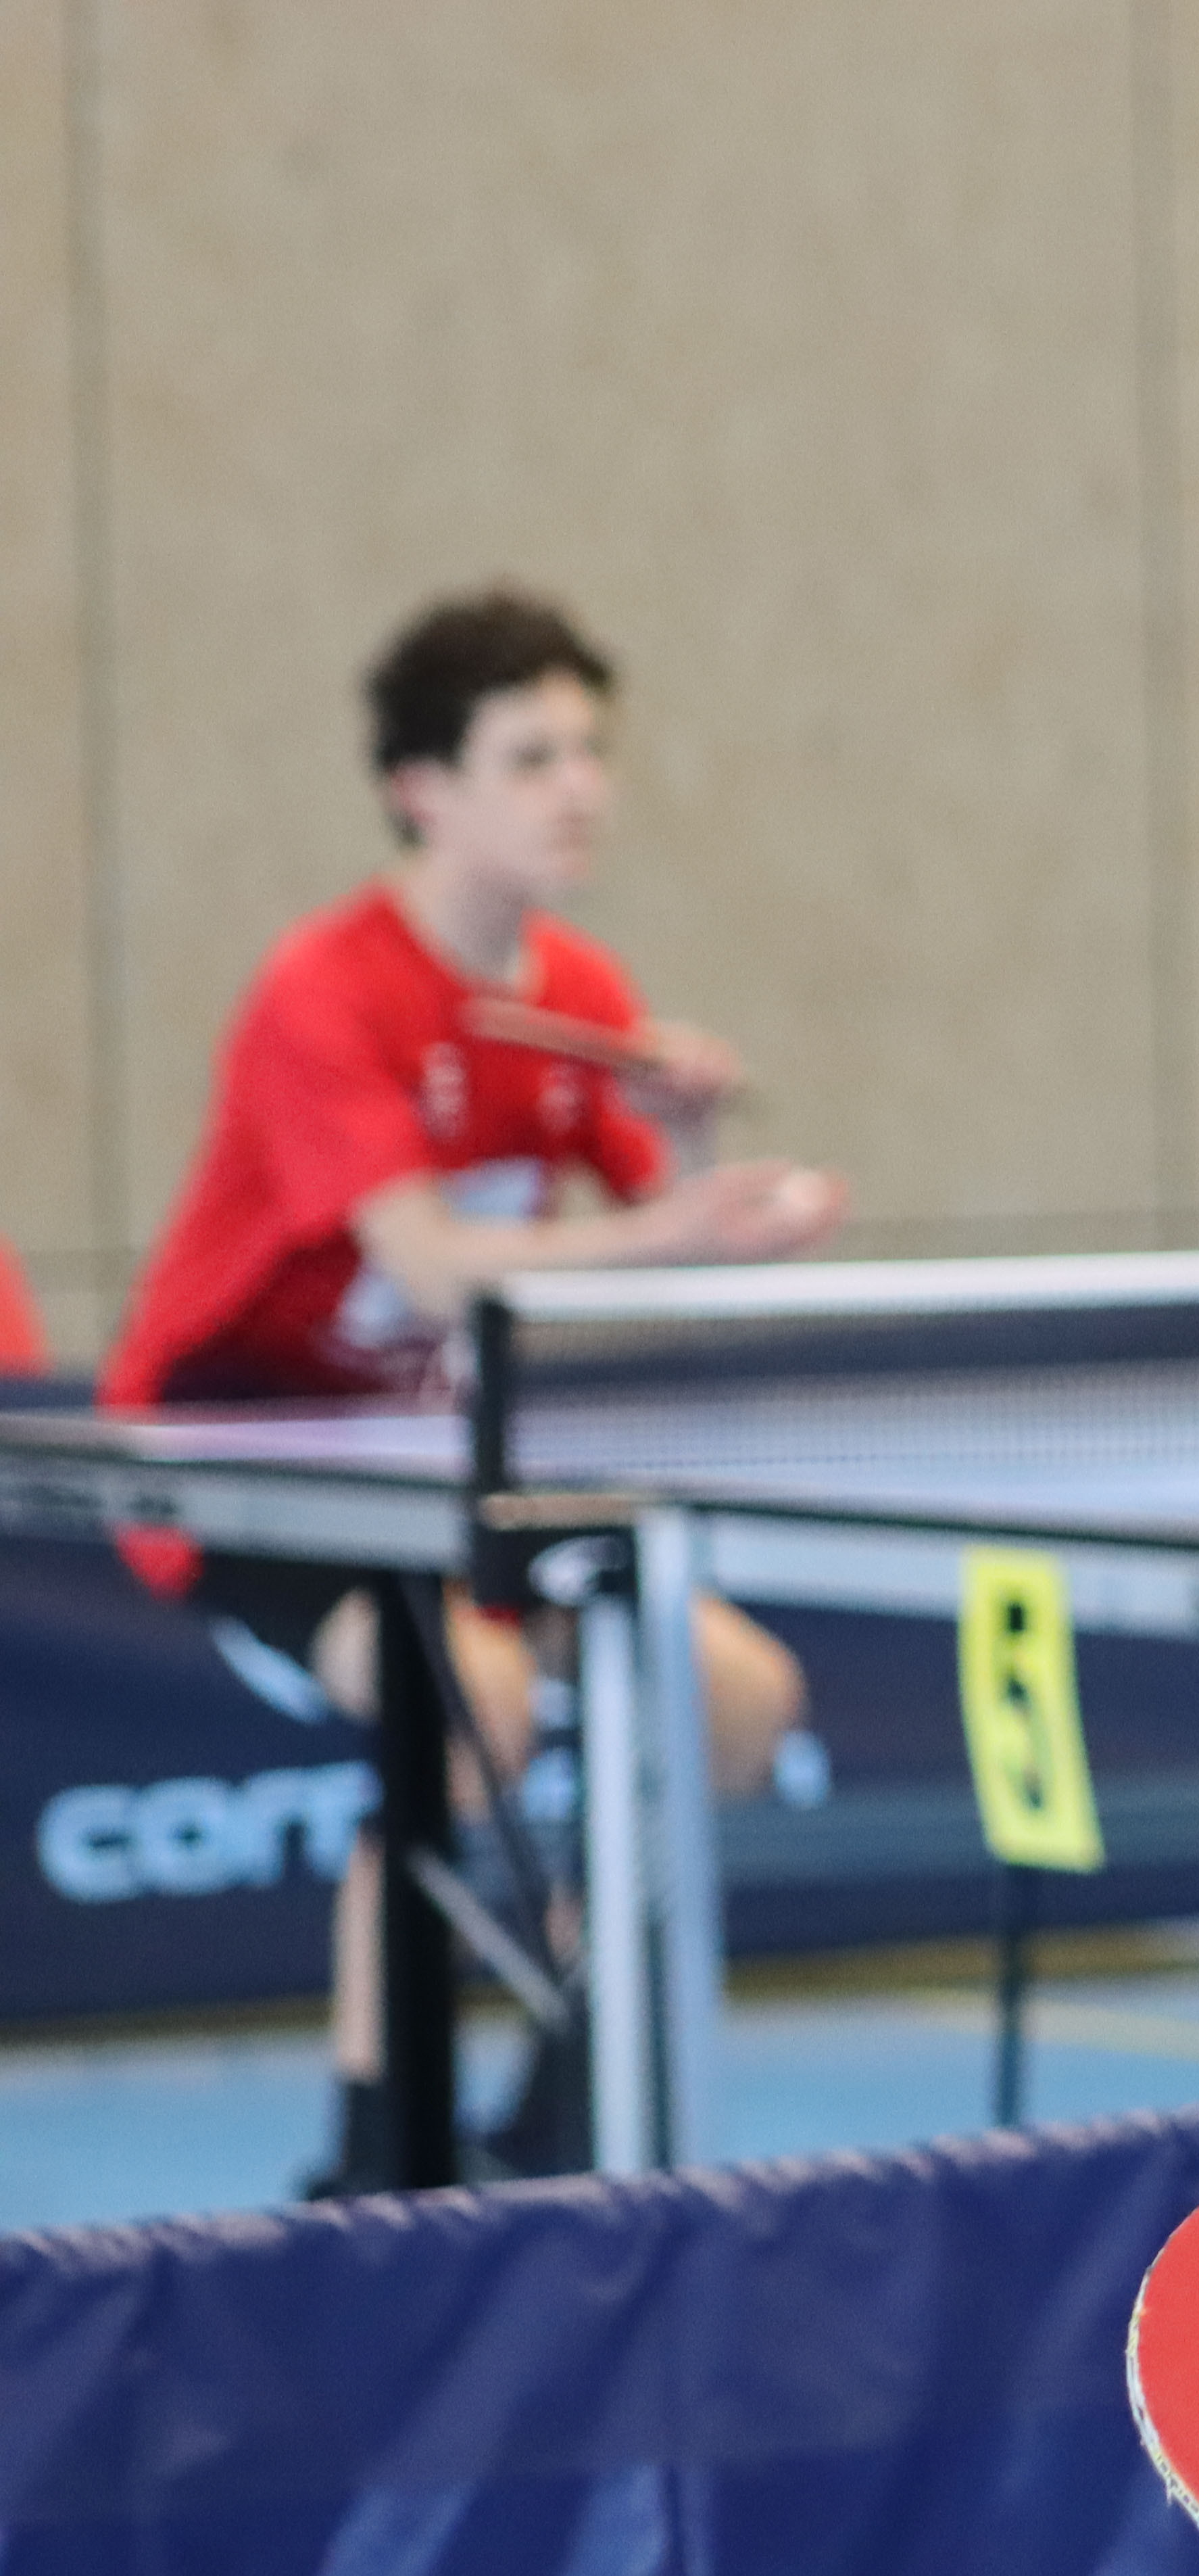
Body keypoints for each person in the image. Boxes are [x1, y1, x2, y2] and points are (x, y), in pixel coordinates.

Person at [102, 587, 845, 2189]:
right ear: (421, 789)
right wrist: (671, 1225)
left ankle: (563, 2111)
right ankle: (376, 2163)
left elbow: (663, 1246)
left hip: (442, 1458)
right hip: (236, 1455)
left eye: (590, 750)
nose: (580, 788)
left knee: (739, 1701)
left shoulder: (576, 992)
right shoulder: (326, 990)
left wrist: (706, 1158)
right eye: (532, 757)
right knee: (475, 1701)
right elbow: (434, 1264)